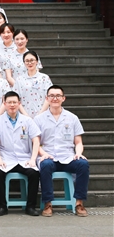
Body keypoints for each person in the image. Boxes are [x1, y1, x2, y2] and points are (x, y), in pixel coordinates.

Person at [35, 85, 89, 217]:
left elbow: (78, 142)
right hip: (48, 156)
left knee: (83, 164)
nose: (55, 98)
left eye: (58, 96)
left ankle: (79, 203)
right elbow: (36, 143)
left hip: (68, 157)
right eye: (52, 96)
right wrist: (43, 154)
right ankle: (48, 203)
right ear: (47, 98)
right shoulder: (39, 119)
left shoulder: (72, 118)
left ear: (63, 98)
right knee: (45, 165)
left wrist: (78, 153)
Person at [0, 91, 41, 216]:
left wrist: (33, 159)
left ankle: (30, 207)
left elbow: (36, 140)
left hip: (24, 157)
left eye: (14, 102)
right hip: (6, 158)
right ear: (4, 104)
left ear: (19, 103)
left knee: (34, 173)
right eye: (9, 102)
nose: (12, 105)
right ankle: (2, 207)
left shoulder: (28, 120)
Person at [13, 51, 53, 117]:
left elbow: (49, 97)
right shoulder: (19, 80)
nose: (29, 63)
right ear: (24, 63)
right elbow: (16, 99)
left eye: (32, 60)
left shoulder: (44, 78)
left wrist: (40, 114)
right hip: (24, 116)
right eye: (27, 61)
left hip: (43, 115)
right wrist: (25, 115)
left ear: (37, 61)